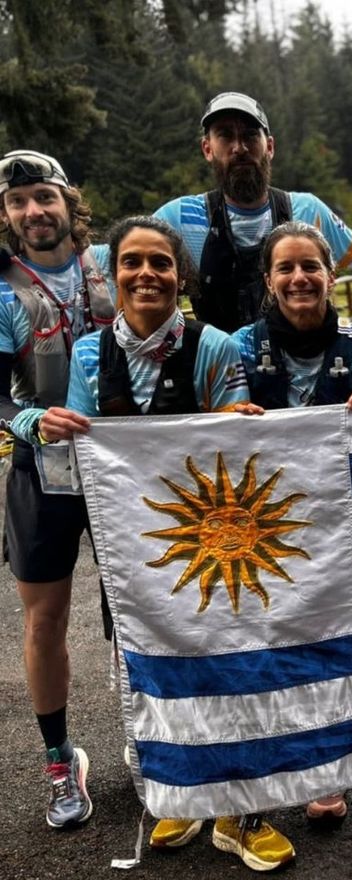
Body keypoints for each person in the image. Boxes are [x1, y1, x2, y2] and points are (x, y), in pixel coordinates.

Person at [48, 215, 295, 873]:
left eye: (161, 262)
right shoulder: (89, 354)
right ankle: (185, 792)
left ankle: (244, 812)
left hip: (218, 545)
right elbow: (83, 450)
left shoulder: (214, 347)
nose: (147, 273)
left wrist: (238, 423)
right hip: (132, 550)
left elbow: (240, 450)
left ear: (180, 275)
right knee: (155, 675)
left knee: (233, 673)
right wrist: (51, 429)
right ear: (116, 272)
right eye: (134, 262)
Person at [231, 219, 352, 819]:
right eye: (286, 267)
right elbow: (213, 440)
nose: (300, 277)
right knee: (305, 647)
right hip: (278, 530)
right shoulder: (238, 348)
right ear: (269, 280)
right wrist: (231, 416)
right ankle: (325, 768)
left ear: (331, 275)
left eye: (311, 265)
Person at [0, 150, 115, 829]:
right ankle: (59, 759)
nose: (32, 211)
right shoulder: (1, 285)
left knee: (136, 611)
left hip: (122, 464)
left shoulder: (118, 260)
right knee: (45, 622)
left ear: (68, 200)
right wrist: (24, 416)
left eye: (43, 196)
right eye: (17, 203)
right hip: (40, 472)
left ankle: (149, 739)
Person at [154, 91, 352, 333]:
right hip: (220, 368)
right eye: (225, 136)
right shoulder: (178, 219)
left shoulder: (306, 210)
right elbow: (117, 261)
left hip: (302, 365)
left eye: (250, 135)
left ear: (269, 146)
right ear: (207, 149)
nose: (239, 148)